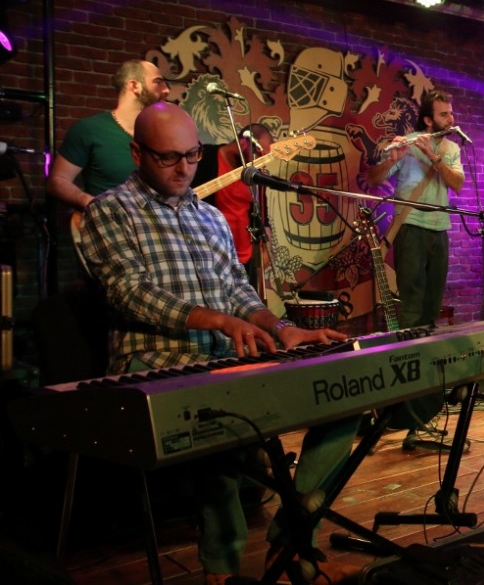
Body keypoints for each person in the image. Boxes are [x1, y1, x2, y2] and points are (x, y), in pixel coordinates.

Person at [78, 102, 360, 585]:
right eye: (168, 157)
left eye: (192, 155)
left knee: (344, 394)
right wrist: (220, 321)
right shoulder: (109, 210)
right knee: (221, 420)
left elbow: (236, 288)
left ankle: (291, 541)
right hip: (155, 362)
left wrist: (281, 329)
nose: (184, 168)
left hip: (224, 358)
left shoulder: (209, 217)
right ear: (137, 153)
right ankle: (223, 569)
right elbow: (129, 292)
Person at [365, 90, 464, 449]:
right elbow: (375, 178)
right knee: (410, 311)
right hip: (410, 229)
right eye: (444, 114)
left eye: (451, 113)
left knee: (430, 313)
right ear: (427, 119)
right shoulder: (406, 143)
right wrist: (395, 156)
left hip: (440, 231)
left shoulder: (450, 148)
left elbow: (457, 184)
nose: (451, 119)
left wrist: (434, 157)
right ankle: (400, 406)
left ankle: (422, 412)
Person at [47, 59, 171, 210]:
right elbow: (58, 181)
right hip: (109, 222)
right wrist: (93, 204)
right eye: (158, 82)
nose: (166, 90)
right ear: (134, 86)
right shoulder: (90, 129)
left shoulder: (165, 135)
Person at [214, 124, 274, 274]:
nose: (261, 162)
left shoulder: (253, 173)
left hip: (246, 257)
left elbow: (262, 212)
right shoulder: (208, 159)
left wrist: (267, 246)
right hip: (216, 255)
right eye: (259, 154)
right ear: (243, 143)